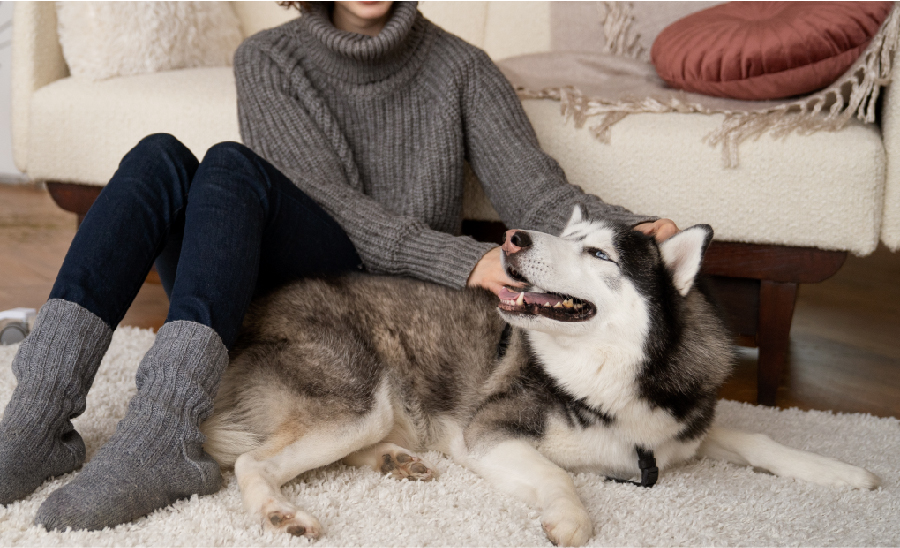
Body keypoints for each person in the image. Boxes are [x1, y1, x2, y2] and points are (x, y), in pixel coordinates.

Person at [0, 0, 678, 532]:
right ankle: (39, 419)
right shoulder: (267, 58)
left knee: (231, 166)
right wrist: (459, 258)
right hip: (253, 285)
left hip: (370, 309)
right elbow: (329, 201)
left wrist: (628, 231)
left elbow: (539, 194)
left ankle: (162, 433)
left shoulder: (462, 68)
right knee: (157, 157)